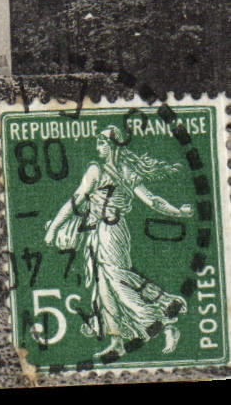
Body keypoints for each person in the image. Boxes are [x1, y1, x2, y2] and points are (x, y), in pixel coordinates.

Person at [42, 125, 193, 357]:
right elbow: (77, 201)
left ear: (114, 145)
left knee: (116, 279)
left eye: (102, 142)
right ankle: (117, 341)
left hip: (111, 231)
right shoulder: (109, 170)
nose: (98, 147)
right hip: (98, 232)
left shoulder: (112, 171)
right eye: (98, 142)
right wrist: (54, 227)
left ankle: (163, 320)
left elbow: (151, 200)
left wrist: (178, 212)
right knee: (104, 286)